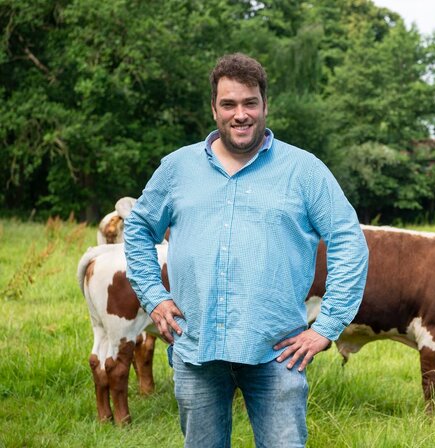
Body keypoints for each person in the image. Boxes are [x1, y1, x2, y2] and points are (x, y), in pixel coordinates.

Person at [124, 53, 369, 447]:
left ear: (265, 105)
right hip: (196, 346)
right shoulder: (177, 168)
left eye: (250, 103)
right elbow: (137, 227)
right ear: (214, 108)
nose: (240, 114)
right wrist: (154, 297)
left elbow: (348, 240)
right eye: (229, 104)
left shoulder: (304, 171)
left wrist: (326, 326)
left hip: (277, 353)